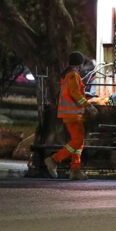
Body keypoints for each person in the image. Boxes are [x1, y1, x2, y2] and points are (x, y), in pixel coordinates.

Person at [44, 51, 98, 180]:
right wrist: (88, 105)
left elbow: (73, 93)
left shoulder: (68, 75)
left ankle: (75, 169)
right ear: (79, 64)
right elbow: (75, 93)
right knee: (77, 141)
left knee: (79, 142)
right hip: (72, 114)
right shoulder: (73, 75)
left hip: (72, 114)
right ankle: (54, 160)